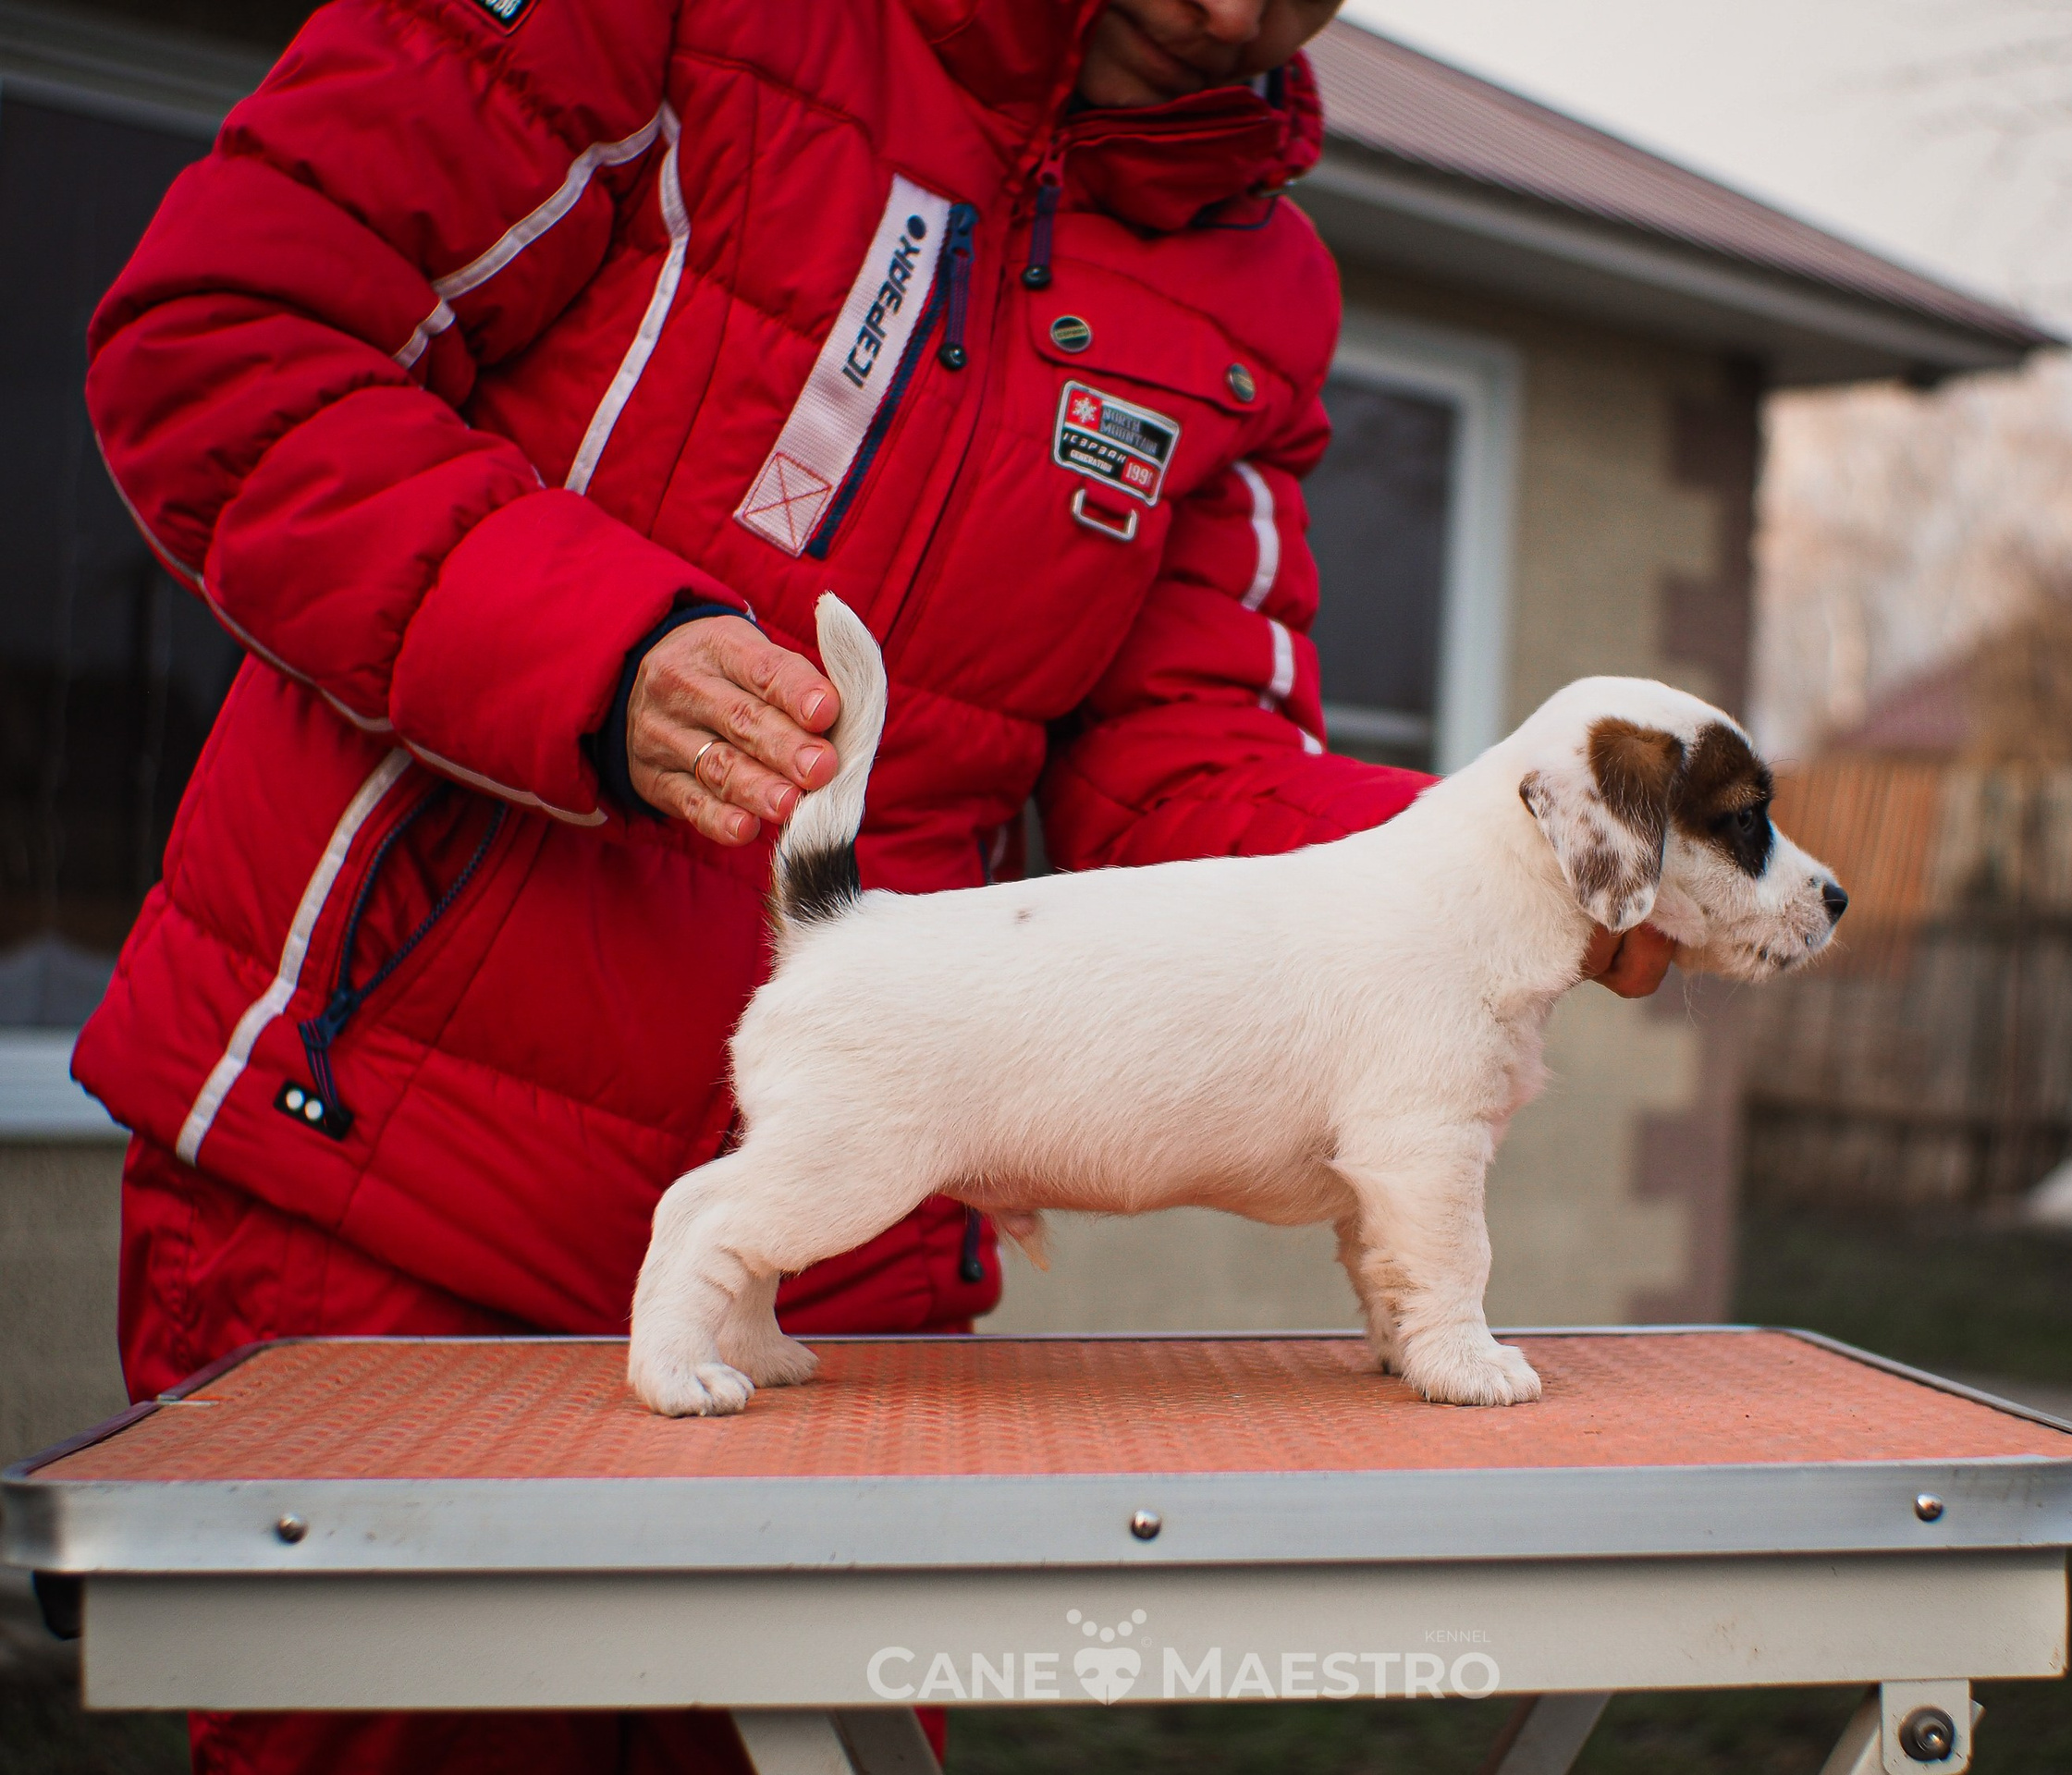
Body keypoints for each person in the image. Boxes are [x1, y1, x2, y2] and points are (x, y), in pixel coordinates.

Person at [75, 0, 1675, 1769]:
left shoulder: (1265, 293)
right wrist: (588, 648)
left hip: (846, 1294)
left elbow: (1189, 769)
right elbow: (225, 339)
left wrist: (1503, 873)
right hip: (384, 1190)